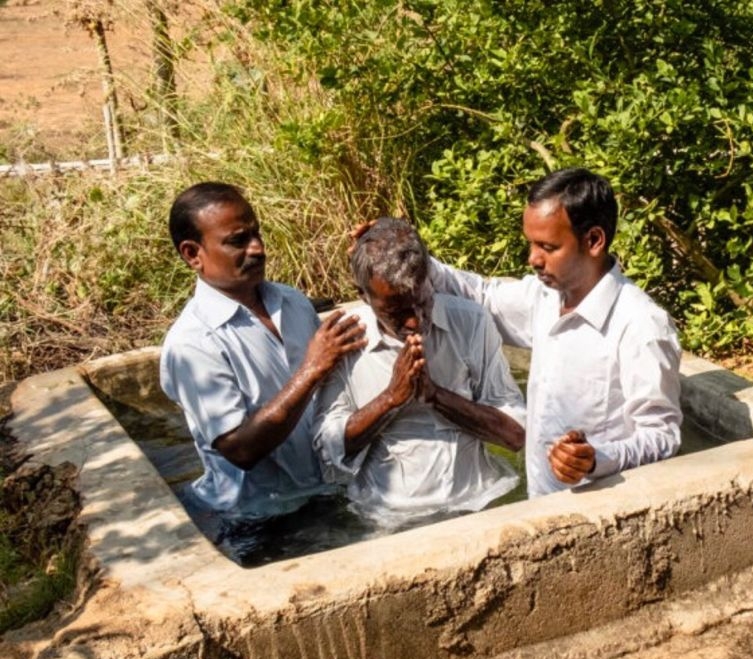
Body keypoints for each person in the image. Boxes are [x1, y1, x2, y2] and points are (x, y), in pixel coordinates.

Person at [425, 168, 682, 496]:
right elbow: (481, 295)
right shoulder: (544, 298)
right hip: (542, 508)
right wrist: (414, 256)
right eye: (531, 244)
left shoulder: (641, 325)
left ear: (593, 241)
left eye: (547, 246)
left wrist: (595, 460)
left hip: (602, 520)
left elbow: (662, 436)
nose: (533, 258)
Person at [159, 182, 366, 520]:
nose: (257, 249)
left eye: (257, 234)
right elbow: (241, 449)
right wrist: (312, 368)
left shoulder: (292, 302)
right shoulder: (192, 344)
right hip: (258, 518)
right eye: (238, 241)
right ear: (192, 254)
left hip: (328, 493)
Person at [314, 218, 526, 522]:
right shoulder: (346, 341)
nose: (415, 321)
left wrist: (437, 397)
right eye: (397, 312)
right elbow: (326, 450)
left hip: (480, 501)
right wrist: (389, 399)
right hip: (387, 514)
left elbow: (517, 434)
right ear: (362, 295)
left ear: (429, 279)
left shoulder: (471, 322)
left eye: (424, 303)